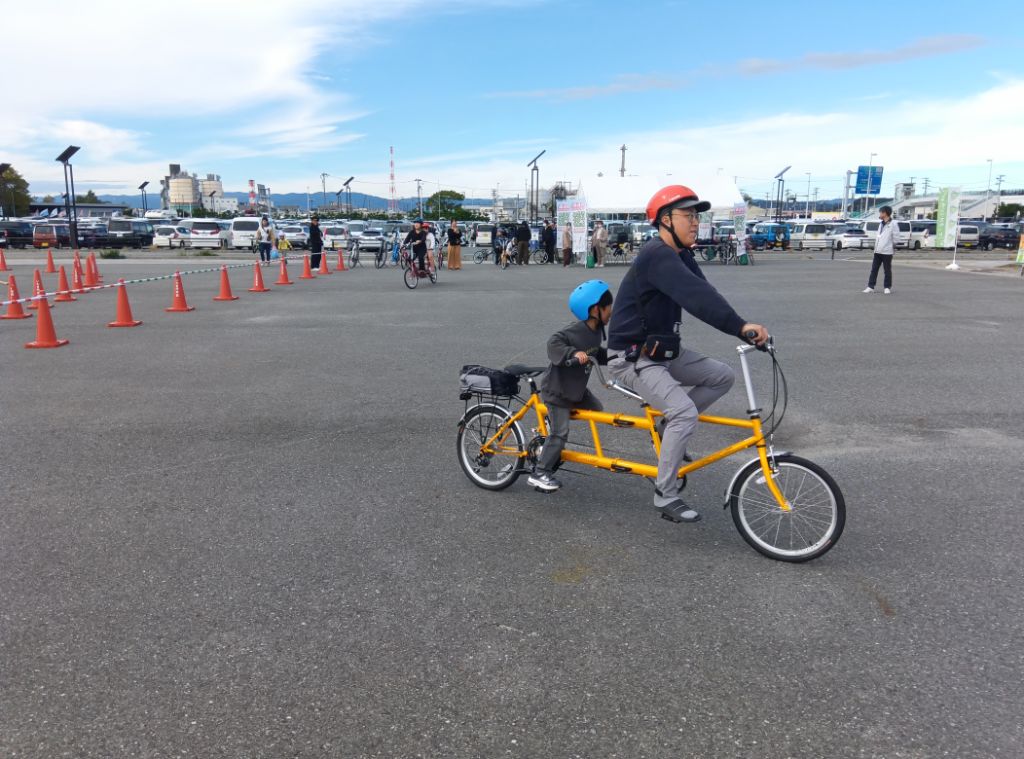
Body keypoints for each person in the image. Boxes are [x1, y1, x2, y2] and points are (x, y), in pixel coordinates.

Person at [605, 185, 768, 524]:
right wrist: (740, 327)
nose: (696, 222)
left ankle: (668, 427)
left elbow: (705, 292)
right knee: (684, 412)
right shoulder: (657, 255)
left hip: (662, 351)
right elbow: (696, 297)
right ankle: (665, 494)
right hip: (632, 356)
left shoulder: (680, 255)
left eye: (697, 216)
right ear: (665, 220)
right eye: (688, 215)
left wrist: (743, 327)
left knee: (721, 376)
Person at [528, 280, 613, 492]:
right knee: (560, 433)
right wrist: (573, 353)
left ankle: (551, 427)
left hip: (576, 390)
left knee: (597, 410)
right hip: (557, 391)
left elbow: (596, 353)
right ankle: (540, 473)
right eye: (608, 307)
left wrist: (618, 356)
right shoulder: (575, 331)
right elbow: (553, 342)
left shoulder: (596, 330)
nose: (611, 311)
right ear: (595, 310)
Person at [863, 205, 899, 294]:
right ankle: (870, 286)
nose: (880, 214)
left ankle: (887, 287)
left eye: (881, 212)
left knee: (887, 270)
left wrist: (890, 246)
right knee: (874, 269)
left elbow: (896, 238)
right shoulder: (881, 224)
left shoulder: (893, 224)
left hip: (887, 252)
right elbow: (879, 237)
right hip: (877, 251)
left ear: (885, 213)